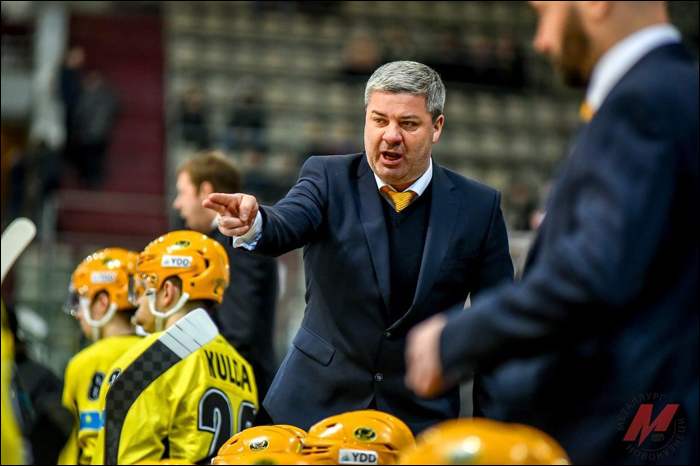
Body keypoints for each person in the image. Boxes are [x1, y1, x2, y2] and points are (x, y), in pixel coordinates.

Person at [405, 2, 699, 464]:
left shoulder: (643, 102)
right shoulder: (681, 92)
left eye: (545, 13)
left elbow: (594, 273)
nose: (541, 40)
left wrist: (454, 338)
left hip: (634, 435)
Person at [205, 61, 514, 434]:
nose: (390, 136)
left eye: (408, 124)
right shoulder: (327, 177)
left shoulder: (479, 207)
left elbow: (495, 331)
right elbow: (287, 221)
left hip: (417, 423)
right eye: (379, 120)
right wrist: (255, 223)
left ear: (437, 128)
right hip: (310, 410)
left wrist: (490, 431)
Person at [89, 231, 258, 465]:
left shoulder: (152, 357)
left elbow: (117, 460)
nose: (137, 300)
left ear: (167, 292)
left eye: (143, 286)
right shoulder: (242, 367)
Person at [173, 151, 278, 412]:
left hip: (242, 397)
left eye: (182, 192)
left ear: (205, 190)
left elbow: (239, 331)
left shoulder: (235, 243)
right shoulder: (229, 241)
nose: (177, 204)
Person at [58, 248, 142, 465]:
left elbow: (71, 443)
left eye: (82, 301)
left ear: (103, 302)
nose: (77, 313)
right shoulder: (157, 354)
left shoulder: (84, 361)